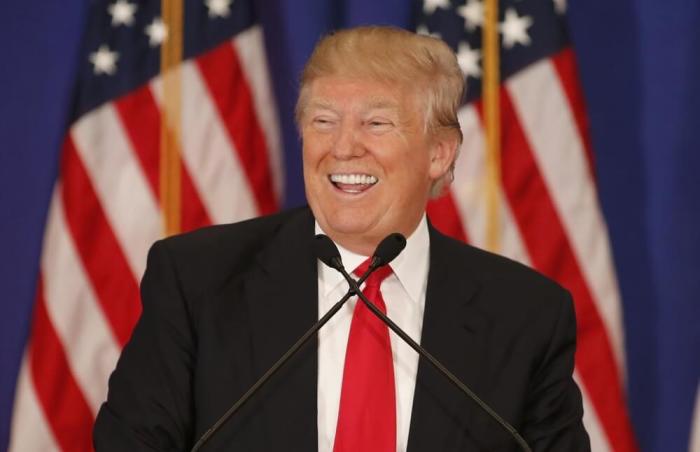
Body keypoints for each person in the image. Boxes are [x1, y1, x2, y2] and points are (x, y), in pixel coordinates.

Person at [94, 26, 590, 451]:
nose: (343, 147)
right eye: (323, 122)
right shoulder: (199, 283)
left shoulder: (525, 317)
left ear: (439, 153)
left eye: (376, 123)